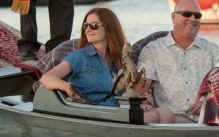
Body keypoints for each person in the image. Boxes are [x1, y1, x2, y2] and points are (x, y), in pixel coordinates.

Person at [39, 8, 174, 123]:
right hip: (94, 114)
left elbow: (128, 92)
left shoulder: (122, 59)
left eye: (94, 25)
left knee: (166, 113)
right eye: (86, 26)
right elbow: (46, 78)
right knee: (151, 116)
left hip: (118, 110)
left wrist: (141, 100)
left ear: (108, 28)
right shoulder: (79, 56)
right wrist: (68, 87)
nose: (88, 30)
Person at [137, 0, 219, 122]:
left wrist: (208, 103)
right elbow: (140, 91)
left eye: (197, 15)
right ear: (173, 17)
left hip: (207, 118)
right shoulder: (153, 50)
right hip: (171, 119)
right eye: (186, 14)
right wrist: (145, 100)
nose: (193, 19)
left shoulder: (214, 51)